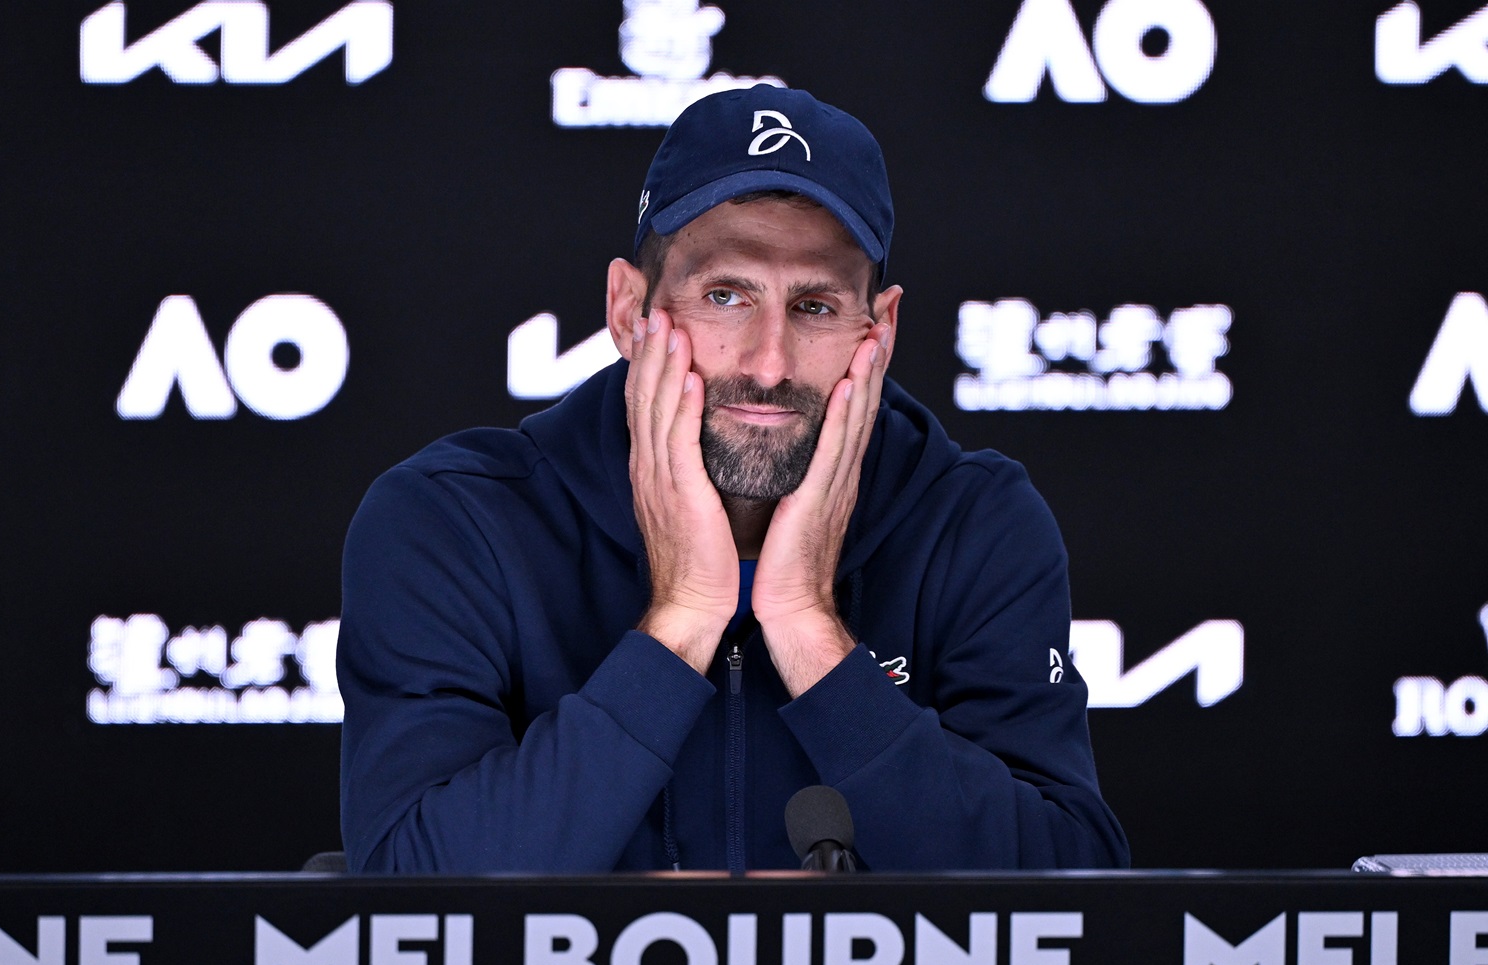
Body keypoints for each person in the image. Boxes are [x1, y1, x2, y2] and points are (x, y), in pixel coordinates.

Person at [336, 84, 1129, 873]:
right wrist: (682, 619)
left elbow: (1072, 896)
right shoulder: (454, 521)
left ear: (878, 329)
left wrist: (811, 634)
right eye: (725, 295)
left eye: (815, 306)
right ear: (628, 309)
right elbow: (411, 901)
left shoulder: (973, 522)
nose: (770, 363)